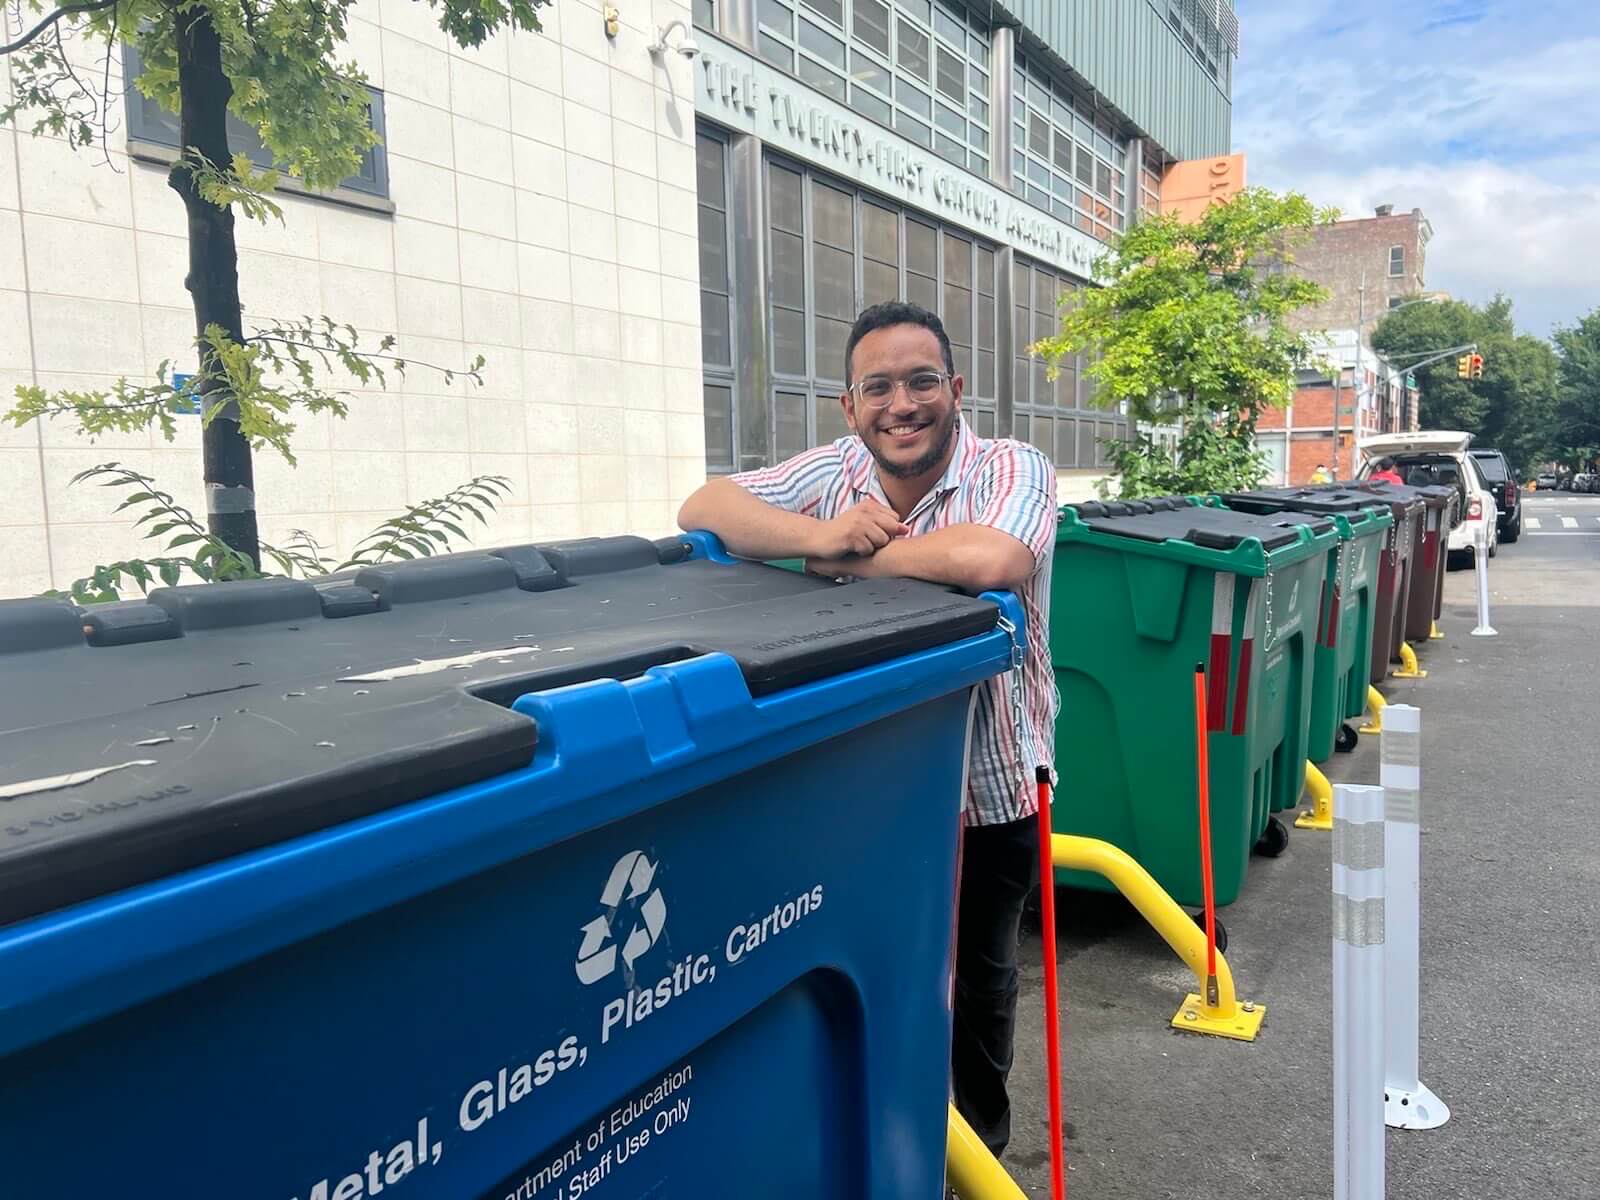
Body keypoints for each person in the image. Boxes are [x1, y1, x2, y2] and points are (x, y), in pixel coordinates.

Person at [677, 301, 1057, 1157]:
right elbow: (704, 507)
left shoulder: (1011, 466)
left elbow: (992, 560)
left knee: (980, 986)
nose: (903, 405)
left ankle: (977, 1151)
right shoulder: (834, 473)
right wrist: (818, 531)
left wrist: (842, 558)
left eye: (922, 381)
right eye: (877, 387)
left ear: (955, 390)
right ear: (851, 408)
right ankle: (880, 1148)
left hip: (991, 785)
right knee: (869, 976)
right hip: (864, 793)